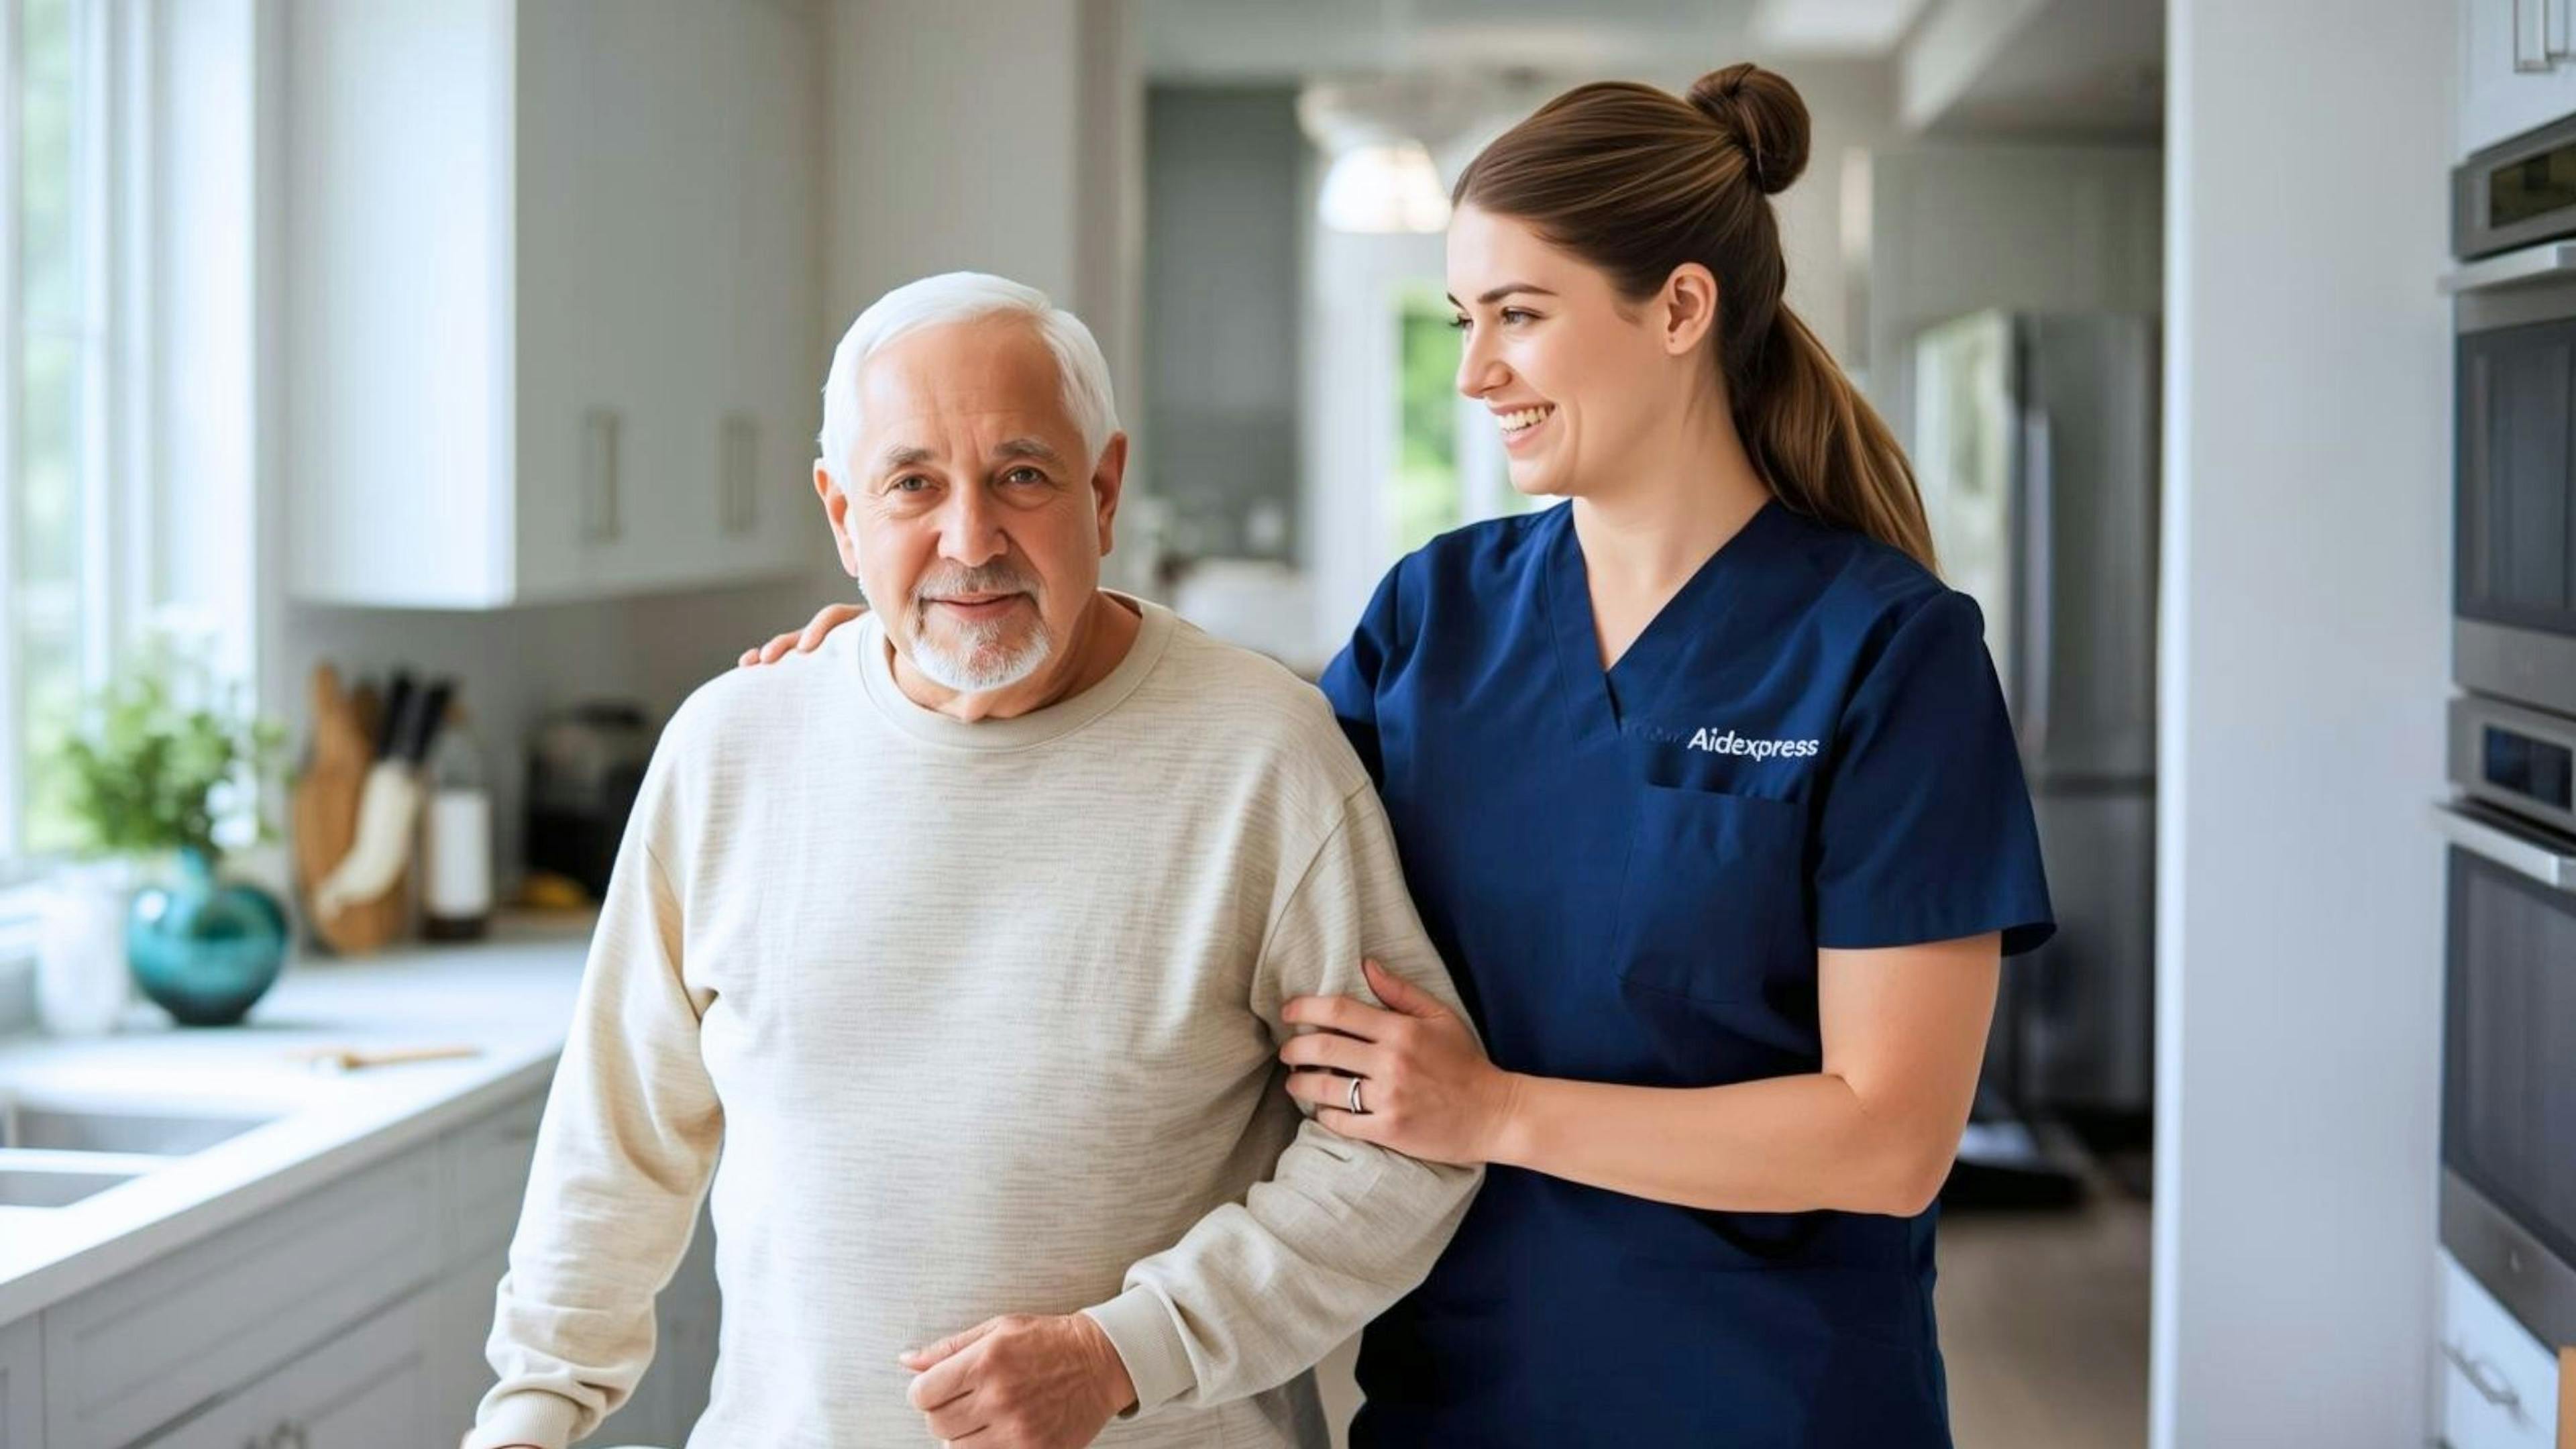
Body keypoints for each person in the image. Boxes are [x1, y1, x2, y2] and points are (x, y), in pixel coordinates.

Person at [745, 63, 2053, 1448]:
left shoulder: (1887, 653)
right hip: (1455, 1405)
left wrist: (1494, 1111)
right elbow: (1205, 777)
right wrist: (943, 622)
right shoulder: (1442, 614)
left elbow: (1889, 1140)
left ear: (1679, 308)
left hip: (1771, 1406)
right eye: (1464, 319)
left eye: (1520, 316)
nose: (1475, 369)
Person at [470, 272, 1482, 1449]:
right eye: (912, 484)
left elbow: (1403, 1150)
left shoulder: (1263, 758)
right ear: (842, 515)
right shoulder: (730, 748)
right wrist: (535, 1407)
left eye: (1022, 476)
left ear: (1102, 490)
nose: (970, 539)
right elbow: (618, 1137)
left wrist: (1124, 1354)